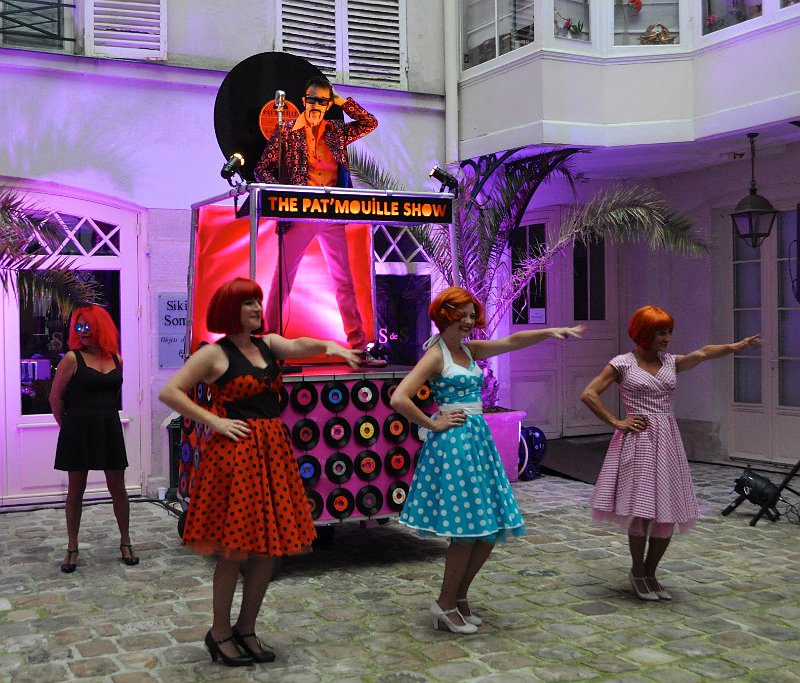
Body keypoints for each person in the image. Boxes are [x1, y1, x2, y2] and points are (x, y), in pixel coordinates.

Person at [159, 277, 360, 666]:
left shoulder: (267, 343)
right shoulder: (214, 354)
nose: (256, 308)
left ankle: (246, 628)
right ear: (229, 309)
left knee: (270, 547)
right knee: (233, 550)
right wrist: (214, 421)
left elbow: (298, 345)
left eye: (257, 301)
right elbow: (170, 392)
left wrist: (330, 346)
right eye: (247, 303)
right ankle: (220, 632)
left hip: (272, 454)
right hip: (234, 458)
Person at [390, 286, 584, 633]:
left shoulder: (468, 349)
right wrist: (434, 423)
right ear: (445, 315)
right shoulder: (436, 355)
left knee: (489, 527)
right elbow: (400, 398)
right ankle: (445, 604)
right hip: (454, 446)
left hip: (477, 441)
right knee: (467, 530)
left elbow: (511, 342)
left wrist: (549, 331)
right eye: (461, 315)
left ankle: (459, 597)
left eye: (471, 315)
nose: (468, 321)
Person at [580, 305, 761, 601]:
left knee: (667, 511)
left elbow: (702, 353)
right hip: (639, 440)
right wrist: (617, 422)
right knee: (642, 512)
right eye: (661, 332)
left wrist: (735, 346)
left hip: (667, 441)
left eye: (669, 332)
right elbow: (589, 393)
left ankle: (651, 572)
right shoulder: (622, 364)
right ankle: (638, 572)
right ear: (644, 333)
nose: (667, 338)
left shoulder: (670, 362)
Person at [254, 75, 381, 363]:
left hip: (332, 213)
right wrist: (284, 192)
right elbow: (262, 168)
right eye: (312, 100)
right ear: (304, 101)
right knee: (281, 282)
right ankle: (269, 349)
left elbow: (369, 123)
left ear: (327, 105)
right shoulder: (287, 131)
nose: (316, 106)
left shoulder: (336, 132)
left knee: (344, 282)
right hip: (299, 213)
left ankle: (358, 350)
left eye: (323, 102)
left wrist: (341, 101)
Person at [49, 305, 138, 573]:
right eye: (79, 326)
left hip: (108, 426)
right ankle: (72, 547)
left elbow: (111, 396)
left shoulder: (117, 359)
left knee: (118, 488)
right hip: (78, 428)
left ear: (102, 327)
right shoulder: (72, 358)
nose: (83, 331)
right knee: (76, 489)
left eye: (88, 325)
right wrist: (68, 427)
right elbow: (55, 397)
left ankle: (125, 541)